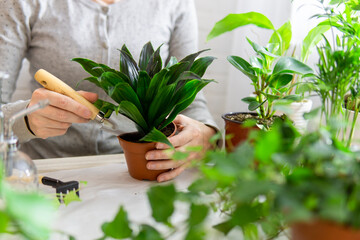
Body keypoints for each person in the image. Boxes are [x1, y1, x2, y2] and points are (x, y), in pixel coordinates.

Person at [0, 0, 218, 182]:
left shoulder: (173, 3)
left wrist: (207, 135)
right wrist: (25, 121)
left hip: (142, 175)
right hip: (50, 173)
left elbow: (192, 98)